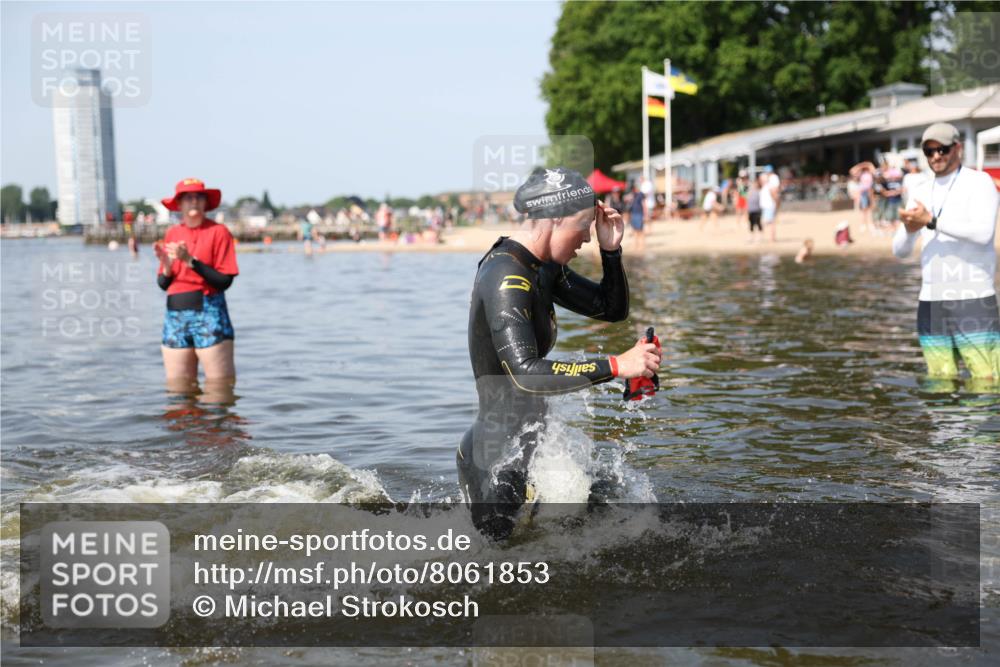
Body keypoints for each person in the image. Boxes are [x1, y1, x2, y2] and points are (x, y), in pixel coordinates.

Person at [459, 167, 661, 540]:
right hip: (497, 460)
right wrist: (617, 365)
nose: (585, 238)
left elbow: (609, 308)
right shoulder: (506, 276)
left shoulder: (543, 269)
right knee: (501, 573)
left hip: (539, 449)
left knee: (619, 518)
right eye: (583, 226)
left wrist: (611, 250)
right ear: (554, 219)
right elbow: (526, 372)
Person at [894, 122, 1000, 380]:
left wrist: (931, 221)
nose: (936, 156)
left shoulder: (980, 182)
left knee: (986, 379)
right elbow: (899, 251)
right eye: (930, 151)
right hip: (931, 301)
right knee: (939, 379)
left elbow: (983, 233)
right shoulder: (919, 190)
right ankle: (943, 422)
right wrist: (909, 230)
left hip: (973, 298)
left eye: (943, 149)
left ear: (958, 148)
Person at [154, 178, 239, 386]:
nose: (193, 202)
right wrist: (166, 266)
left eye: (198, 197)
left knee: (219, 389)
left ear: (205, 202)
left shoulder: (218, 232)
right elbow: (164, 284)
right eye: (188, 198)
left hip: (209, 312)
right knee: (178, 390)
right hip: (175, 316)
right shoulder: (173, 233)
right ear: (179, 204)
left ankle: (216, 419)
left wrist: (190, 261)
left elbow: (224, 281)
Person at [759, 166, 781, 242]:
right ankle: (767, 237)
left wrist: (776, 202)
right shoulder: (769, 179)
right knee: (769, 221)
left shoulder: (773, 178)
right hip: (768, 203)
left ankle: (770, 238)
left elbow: (774, 191)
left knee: (769, 222)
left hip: (770, 204)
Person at [626, 182, 647, 252]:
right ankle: (636, 244)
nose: (632, 190)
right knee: (635, 230)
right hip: (633, 213)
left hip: (639, 213)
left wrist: (645, 215)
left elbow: (644, 205)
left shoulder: (641, 194)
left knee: (640, 230)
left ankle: (642, 245)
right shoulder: (632, 195)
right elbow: (626, 200)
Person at [746, 177, 763, 243]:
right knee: (751, 224)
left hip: (757, 210)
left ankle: (760, 237)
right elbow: (742, 194)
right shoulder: (749, 191)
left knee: (758, 223)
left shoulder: (759, 191)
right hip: (751, 210)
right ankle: (751, 237)